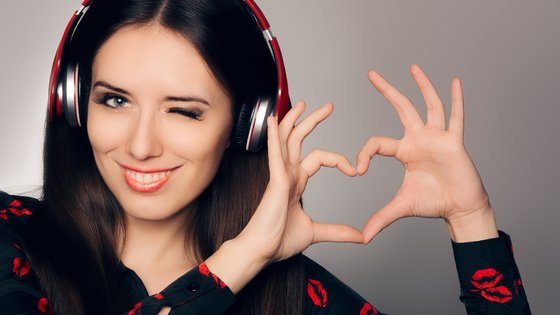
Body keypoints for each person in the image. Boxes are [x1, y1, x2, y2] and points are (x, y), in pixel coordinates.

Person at [0, 0, 531, 314]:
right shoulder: (10, 239)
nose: (141, 146)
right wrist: (246, 254)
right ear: (72, 101)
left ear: (247, 125)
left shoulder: (297, 295)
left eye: (183, 111)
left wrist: (472, 222)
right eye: (113, 100)